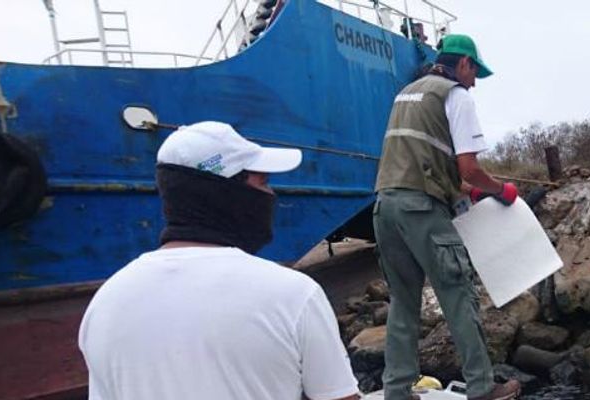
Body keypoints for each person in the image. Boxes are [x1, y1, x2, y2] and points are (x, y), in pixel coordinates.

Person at [78, 121, 360, 400]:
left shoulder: (105, 303)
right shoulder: (293, 295)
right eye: (263, 182)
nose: (271, 194)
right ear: (228, 194)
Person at [373, 34, 522, 400]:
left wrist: (468, 191)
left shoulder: (407, 94)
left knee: (403, 302)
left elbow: (427, 161)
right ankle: (482, 387)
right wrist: (497, 190)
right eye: (474, 73)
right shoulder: (456, 95)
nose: (474, 82)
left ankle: (396, 391)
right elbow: (469, 168)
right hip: (422, 210)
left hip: (384, 207)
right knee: (458, 296)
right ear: (464, 64)